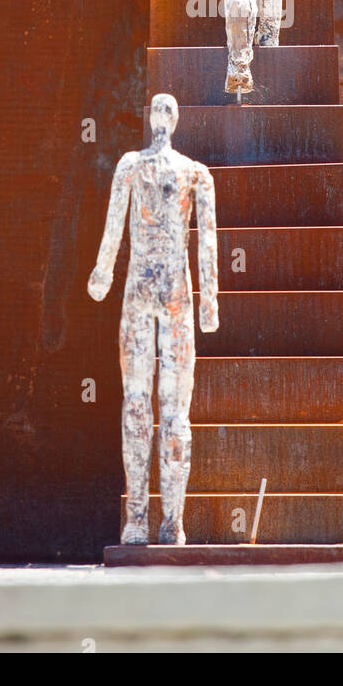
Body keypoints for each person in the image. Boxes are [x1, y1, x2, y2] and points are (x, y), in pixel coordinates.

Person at [87, 93, 219, 546]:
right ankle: (168, 523)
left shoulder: (131, 165)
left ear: (151, 120)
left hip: (140, 288)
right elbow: (207, 246)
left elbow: (112, 231)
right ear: (176, 121)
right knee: (172, 410)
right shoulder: (196, 173)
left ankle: (140, 519)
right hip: (177, 292)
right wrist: (209, 303)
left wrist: (102, 274)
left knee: (138, 403)